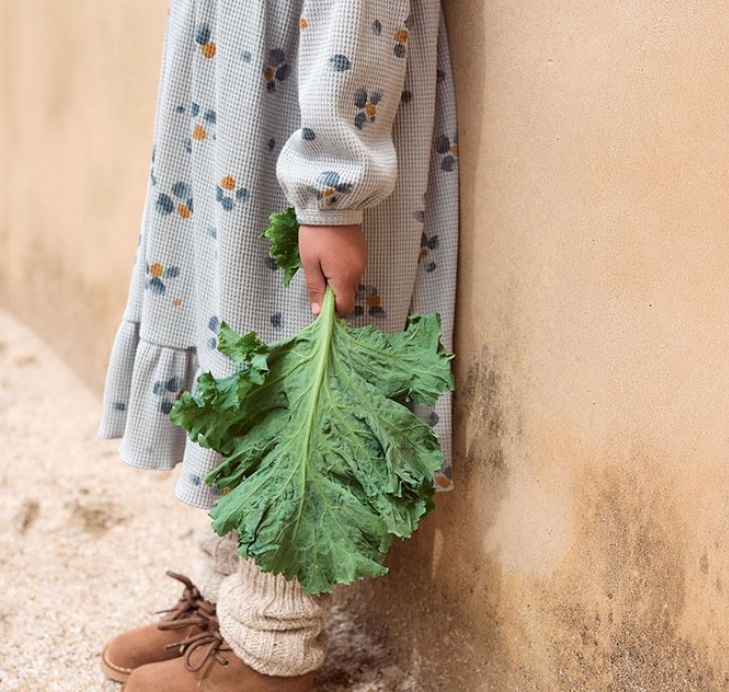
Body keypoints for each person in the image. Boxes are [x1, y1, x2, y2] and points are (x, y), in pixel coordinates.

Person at [98, 0, 459, 689]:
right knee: (239, 355)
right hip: (237, 98)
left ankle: (273, 638)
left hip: (303, 111)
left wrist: (332, 191)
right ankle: (225, 595)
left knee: (298, 358)